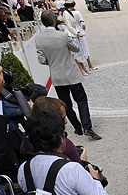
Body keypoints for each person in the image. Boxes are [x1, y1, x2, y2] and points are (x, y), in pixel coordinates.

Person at [36, 10, 101, 141]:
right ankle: (87, 127)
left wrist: (52, 60)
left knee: (66, 104)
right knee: (81, 100)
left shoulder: (39, 38)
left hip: (57, 75)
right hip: (71, 74)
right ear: (54, 21)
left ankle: (77, 127)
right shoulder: (62, 36)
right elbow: (76, 48)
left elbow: (42, 60)